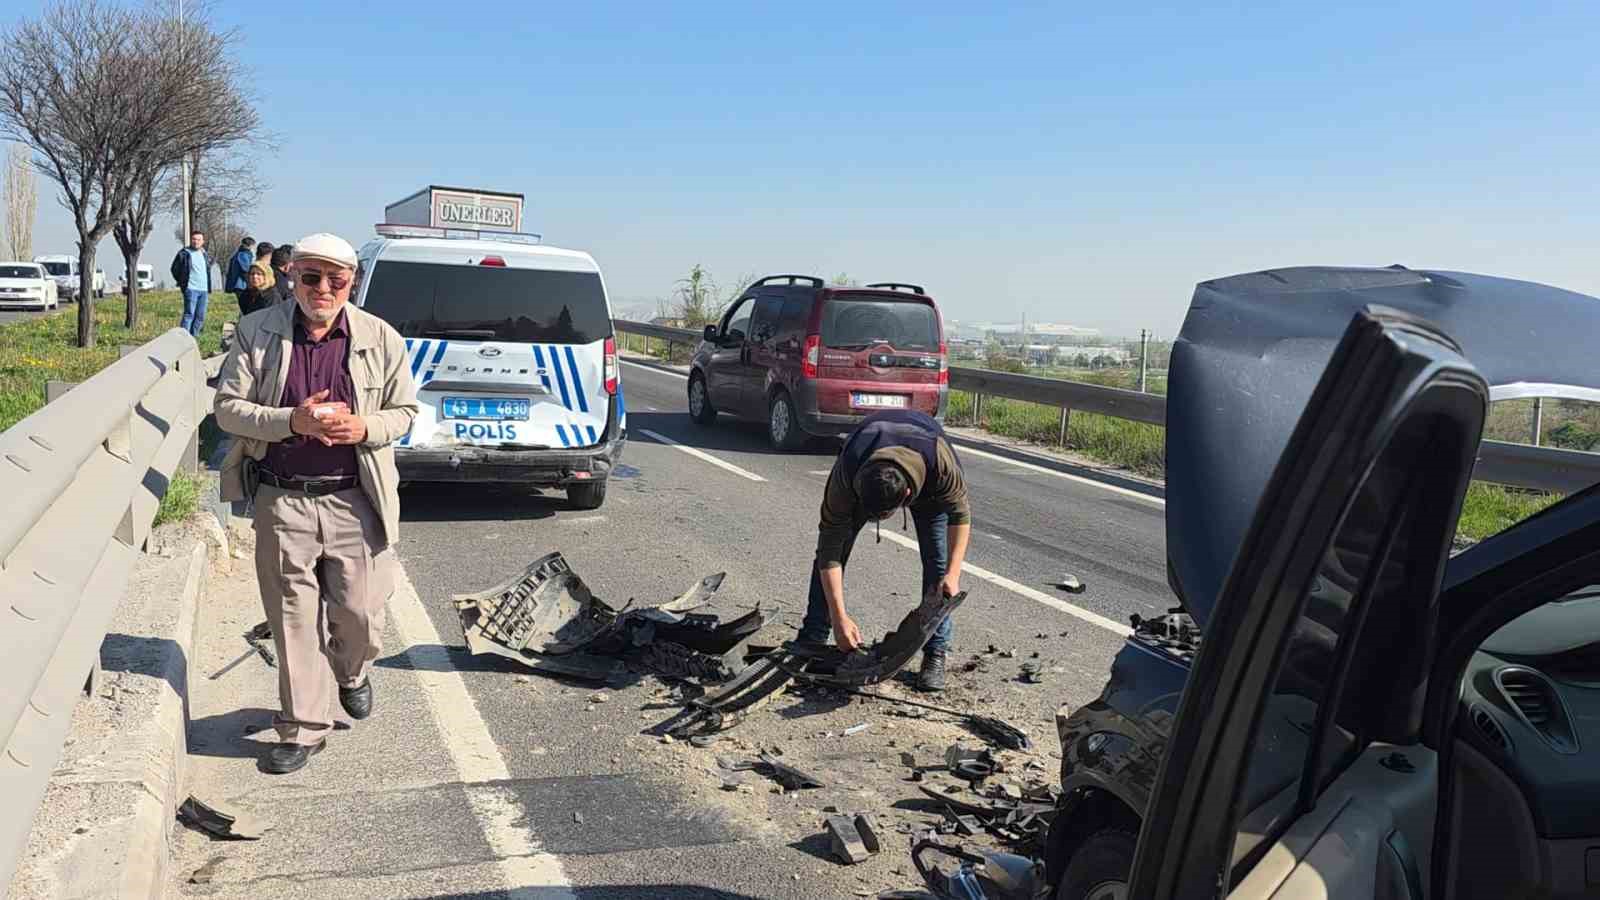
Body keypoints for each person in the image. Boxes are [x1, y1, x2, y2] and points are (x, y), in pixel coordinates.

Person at [214, 232, 419, 774]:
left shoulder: (381, 337)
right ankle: (304, 726)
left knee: (358, 615)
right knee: (292, 620)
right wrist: (290, 422)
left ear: (352, 283)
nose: (323, 289)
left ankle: (351, 673)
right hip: (284, 500)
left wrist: (365, 426)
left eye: (336, 279)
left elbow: (406, 412)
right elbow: (227, 410)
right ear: (292, 277)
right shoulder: (257, 332)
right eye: (311, 277)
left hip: (356, 500)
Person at [797, 410, 972, 692]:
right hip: (868, 459)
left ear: (904, 497)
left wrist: (953, 574)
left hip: (927, 480)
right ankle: (813, 639)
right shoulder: (848, 471)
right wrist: (840, 618)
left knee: (938, 567)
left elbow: (960, 517)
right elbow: (829, 549)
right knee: (831, 552)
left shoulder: (940, 462)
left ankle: (935, 652)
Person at [171, 230, 214, 337]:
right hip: (191, 289)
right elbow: (174, 269)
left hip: (203, 290)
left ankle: (193, 338)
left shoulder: (204, 254)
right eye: (194, 239)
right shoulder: (184, 253)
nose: (196, 242)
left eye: (198, 239)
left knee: (200, 316)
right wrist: (182, 283)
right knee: (189, 314)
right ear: (191, 240)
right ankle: (183, 339)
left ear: (203, 241)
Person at [225, 236, 256, 313]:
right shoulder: (243, 255)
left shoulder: (238, 254)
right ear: (250, 246)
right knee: (245, 308)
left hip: (238, 285)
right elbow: (246, 269)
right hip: (241, 285)